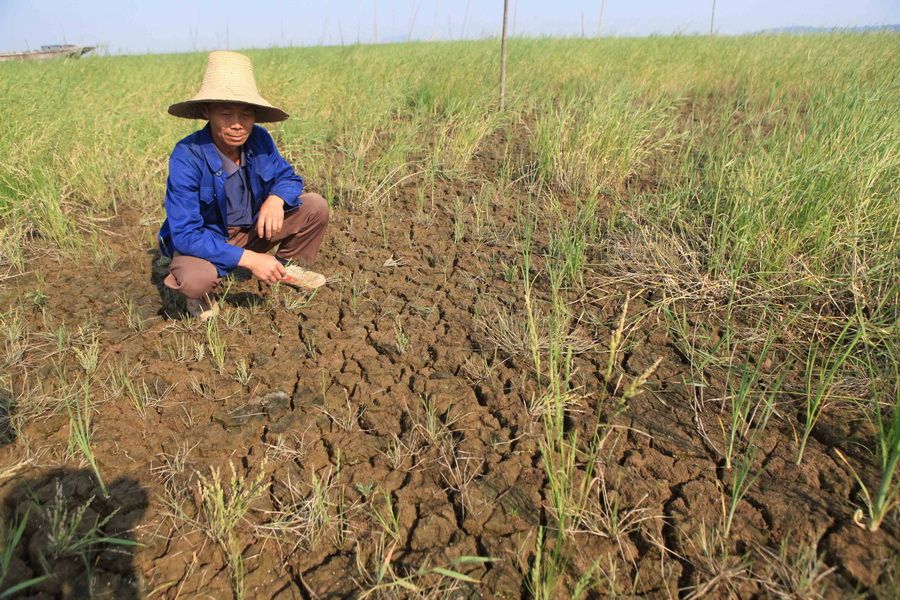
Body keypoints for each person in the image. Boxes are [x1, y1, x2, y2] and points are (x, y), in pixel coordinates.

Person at [158, 51, 329, 320]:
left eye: (246, 115)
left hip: (251, 231)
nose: (237, 125)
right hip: (208, 240)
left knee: (315, 206)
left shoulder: (259, 139)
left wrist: (276, 200)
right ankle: (203, 296)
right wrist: (250, 259)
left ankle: (284, 268)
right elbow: (186, 235)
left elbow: (289, 178)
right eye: (226, 114)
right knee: (193, 279)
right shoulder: (187, 155)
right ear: (207, 111)